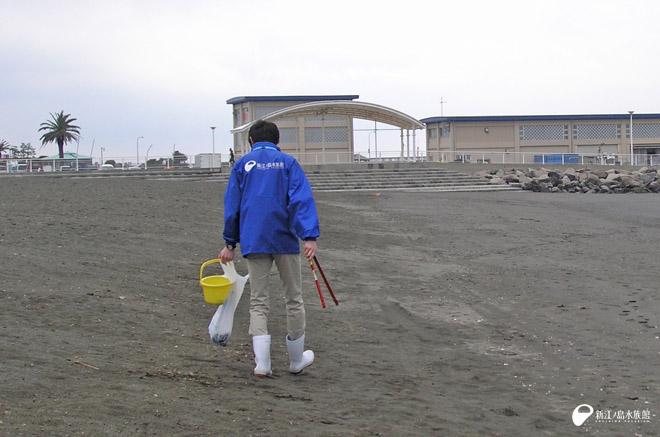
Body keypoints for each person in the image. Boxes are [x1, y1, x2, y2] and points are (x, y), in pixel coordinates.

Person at [219, 120, 320, 377]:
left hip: (254, 240)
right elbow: (301, 199)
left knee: (259, 301)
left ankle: (262, 364)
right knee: (293, 298)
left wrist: (230, 243)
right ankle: (296, 360)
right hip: (284, 239)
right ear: (277, 141)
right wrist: (309, 236)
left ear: (251, 141)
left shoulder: (242, 165)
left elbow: (233, 206)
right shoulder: (287, 163)